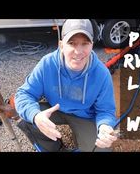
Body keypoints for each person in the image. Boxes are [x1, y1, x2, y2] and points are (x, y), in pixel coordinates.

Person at [15, 19, 118, 152]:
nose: (78, 51)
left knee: (102, 148)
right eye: (72, 43)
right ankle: (55, 148)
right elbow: (24, 94)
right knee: (27, 118)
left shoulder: (102, 74)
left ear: (92, 45)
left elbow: (106, 110)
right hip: (55, 109)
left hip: (84, 116)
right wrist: (36, 116)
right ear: (61, 45)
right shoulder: (47, 64)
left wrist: (104, 126)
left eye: (85, 43)